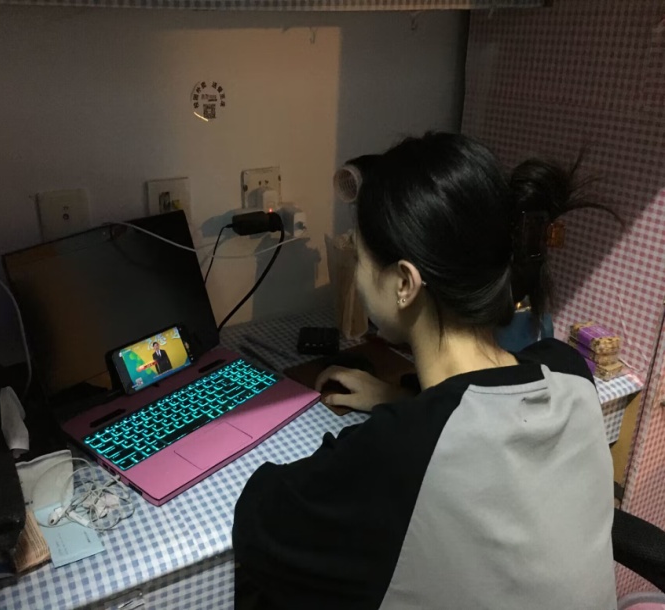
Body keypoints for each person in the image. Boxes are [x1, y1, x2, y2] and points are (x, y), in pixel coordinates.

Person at [232, 132, 616, 610]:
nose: (355, 268)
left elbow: (259, 522)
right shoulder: (569, 369)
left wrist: (402, 421)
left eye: (359, 255)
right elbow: (480, 425)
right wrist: (403, 400)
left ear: (404, 283)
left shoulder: (403, 451)